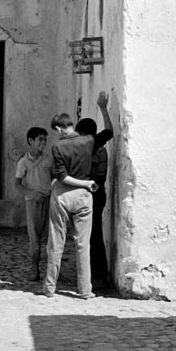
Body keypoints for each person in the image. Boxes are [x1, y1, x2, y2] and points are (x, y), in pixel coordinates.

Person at [42, 112, 98, 299]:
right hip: (83, 197)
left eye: (55, 131)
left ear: (59, 128)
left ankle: (50, 288)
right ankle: (85, 290)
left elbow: (61, 176)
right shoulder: (89, 141)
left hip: (62, 195)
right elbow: (109, 132)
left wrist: (80, 183)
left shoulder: (57, 146)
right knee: (83, 244)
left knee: (56, 242)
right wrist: (103, 109)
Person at [76, 91, 114, 291]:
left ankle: (96, 277)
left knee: (91, 237)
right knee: (95, 235)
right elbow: (109, 131)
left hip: (91, 194)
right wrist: (103, 108)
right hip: (100, 193)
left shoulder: (89, 147)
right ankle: (101, 276)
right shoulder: (98, 145)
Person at [15, 127, 53, 281]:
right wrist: (31, 194)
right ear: (31, 141)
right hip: (32, 203)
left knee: (52, 236)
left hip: (48, 201)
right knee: (34, 238)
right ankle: (35, 269)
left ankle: (53, 271)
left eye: (45, 139)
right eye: (40, 140)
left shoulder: (49, 159)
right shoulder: (23, 162)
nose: (43, 142)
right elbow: (17, 184)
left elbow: (56, 177)